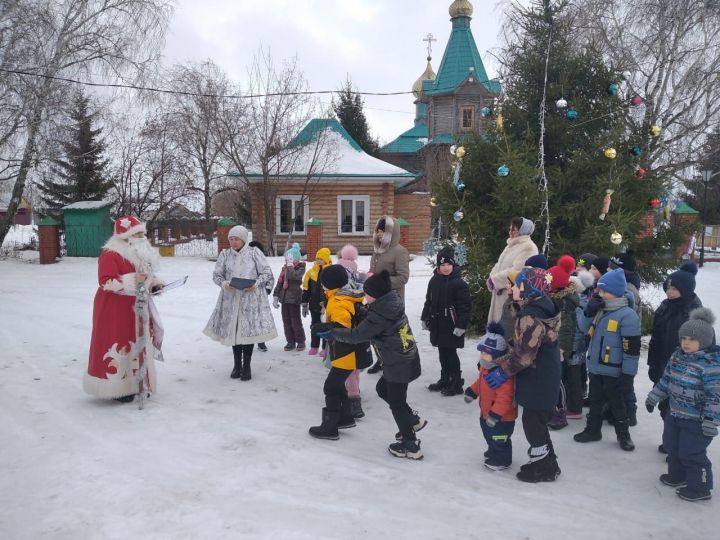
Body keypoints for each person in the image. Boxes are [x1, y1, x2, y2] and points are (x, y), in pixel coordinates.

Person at [316, 270, 426, 459]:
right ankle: (411, 420)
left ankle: (410, 445)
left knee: (396, 403)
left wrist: (332, 332)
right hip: (405, 359)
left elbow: (358, 335)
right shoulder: (390, 303)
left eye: (367, 294)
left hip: (399, 363)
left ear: (375, 295)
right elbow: (371, 319)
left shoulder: (381, 314)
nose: (364, 297)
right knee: (383, 389)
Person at [484, 267, 562, 482]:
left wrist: (501, 370)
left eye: (517, 285)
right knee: (536, 422)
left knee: (533, 423)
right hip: (546, 373)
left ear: (528, 288)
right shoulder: (543, 306)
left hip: (538, 378)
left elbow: (524, 356)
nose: (512, 288)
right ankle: (548, 462)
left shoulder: (531, 317)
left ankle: (544, 468)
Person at [84, 216, 164, 403]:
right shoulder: (110, 254)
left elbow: (145, 277)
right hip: (113, 309)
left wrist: (154, 284)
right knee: (118, 341)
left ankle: (137, 383)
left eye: (143, 233)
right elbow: (106, 281)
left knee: (138, 341)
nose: (143, 237)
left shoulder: (139, 253)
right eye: (138, 234)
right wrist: (135, 281)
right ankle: (118, 387)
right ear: (125, 237)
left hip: (136, 307)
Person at [646, 308, 719, 502]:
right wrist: (654, 396)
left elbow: (715, 396)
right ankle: (677, 476)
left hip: (698, 419)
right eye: (684, 338)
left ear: (704, 341)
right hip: (675, 413)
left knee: (691, 452)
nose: (686, 342)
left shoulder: (711, 364)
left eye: (692, 339)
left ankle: (700, 487)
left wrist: (712, 420)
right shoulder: (677, 357)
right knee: (672, 446)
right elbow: (666, 380)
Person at [574, 268, 640, 451]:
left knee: (617, 404)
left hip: (614, 370)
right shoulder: (599, 310)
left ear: (616, 292)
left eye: (604, 291)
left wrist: (628, 375)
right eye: (599, 290)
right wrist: (588, 312)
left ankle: (624, 435)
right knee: (595, 401)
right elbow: (582, 327)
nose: (600, 294)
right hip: (595, 366)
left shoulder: (627, 315)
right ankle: (593, 430)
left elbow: (631, 350)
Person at [307, 264, 372, 440]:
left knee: (331, 387)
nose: (321, 286)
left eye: (323, 283)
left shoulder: (338, 302)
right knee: (338, 385)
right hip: (349, 352)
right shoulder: (346, 297)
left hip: (345, 352)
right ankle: (344, 418)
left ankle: (330, 427)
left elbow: (343, 328)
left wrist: (325, 328)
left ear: (330, 284)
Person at [204, 225, 277, 381]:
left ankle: (247, 366)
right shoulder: (225, 255)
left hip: (250, 299)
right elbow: (217, 275)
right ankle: (237, 365)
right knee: (235, 332)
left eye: (236, 239)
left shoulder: (254, 253)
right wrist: (224, 284)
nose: (233, 242)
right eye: (231, 239)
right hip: (230, 299)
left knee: (247, 332)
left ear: (243, 239)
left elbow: (266, 272)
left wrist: (256, 284)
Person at [648, 262, 703, 452]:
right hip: (662, 364)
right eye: (667, 288)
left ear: (686, 290)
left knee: (680, 410)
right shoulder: (665, 306)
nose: (669, 292)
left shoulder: (694, 312)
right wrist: (652, 364)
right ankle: (670, 441)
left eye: (674, 288)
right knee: (665, 407)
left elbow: (699, 346)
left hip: (684, 370)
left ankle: (680, 445)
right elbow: (656, 337)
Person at [464, 322, 517, 471]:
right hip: (486, 412)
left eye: (486, 353)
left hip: (502, 418)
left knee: (499, 438)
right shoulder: (485, 367)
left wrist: (495, 415)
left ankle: (502, 459)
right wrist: (472, 392)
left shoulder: (503, 374)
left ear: (497, 356)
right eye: (481, 352)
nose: (482, 356)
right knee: (488, 434)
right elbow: (480, 382)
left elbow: (505, 398)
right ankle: (493, 450)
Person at [421, 246, 471, 396]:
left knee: (451, 353)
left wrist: (461, 325)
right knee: (442, 352)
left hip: (451, 325)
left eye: (449, 264)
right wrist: (425, 317)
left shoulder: (459, 283)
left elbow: (465, 307)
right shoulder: (434, 281)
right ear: (438, 266)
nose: (446, 268)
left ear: (454, 265)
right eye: (442, 265)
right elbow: (428, 301)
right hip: (438, 323)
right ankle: (445, 378)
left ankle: (455, 382)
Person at [367, 216, 410, 374]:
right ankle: (381, 359)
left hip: (392, 301)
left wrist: (381, 283)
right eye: (378, 231)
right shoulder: (377, 250)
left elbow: (403, 277)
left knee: (392, 334)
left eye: (383, 231)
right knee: (376, 333)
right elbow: (373, 272)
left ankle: (397, 362)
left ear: (392, 232)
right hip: (376, 300)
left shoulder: (400, 251)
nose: (380, 234)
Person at [546, 255, 582, 430]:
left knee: (557, 381)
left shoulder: (565, 303)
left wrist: (561, 348)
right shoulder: (555, 298)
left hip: (558, 348)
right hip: (551, 345)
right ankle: (551, 408)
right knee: (551, 379)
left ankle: (560, 412)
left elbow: (566, 329)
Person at [486, 217, 539, 325]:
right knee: (496, 328)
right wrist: (491, 278)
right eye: (510, 229)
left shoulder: (529, 247)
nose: (510, 232)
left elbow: (518, 271)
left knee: (507, 328)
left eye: (513, 230)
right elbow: (499, 264)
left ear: (521, 231)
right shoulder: (511, 244)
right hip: (500, 291)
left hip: (511, 294)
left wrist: (496, 281)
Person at [336, 244, 367, 418]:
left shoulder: (339, 275)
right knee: (353, 364)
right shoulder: (358, 276)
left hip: (344, 326)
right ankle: (353, 392)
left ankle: (353, 398)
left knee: (345, 363)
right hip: (357, 324)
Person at [273, 243, 306, 351]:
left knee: (295, 320)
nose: (288, 261)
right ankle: (290, 341)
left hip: (294, 297)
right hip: (284, 298)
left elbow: (295, 276)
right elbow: (280, 282)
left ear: (295, 258)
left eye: (290, 258)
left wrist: (290, 265)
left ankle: (300, 341)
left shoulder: (301, 267)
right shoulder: (285, 268)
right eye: (287, 258)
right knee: (286, 321)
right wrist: (276, 296)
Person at [302, 247, 332, 357]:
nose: (318, 260)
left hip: (327, 306)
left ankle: (325, 348)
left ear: (326, 259)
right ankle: (314, 346)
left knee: (325, 326)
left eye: (321, 258)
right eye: (317, 258)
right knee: (314, 326)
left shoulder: (330, 272)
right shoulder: (311, 273)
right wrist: (304, 303)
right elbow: (306, 289)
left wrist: (327, 304)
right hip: (314, 305)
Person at [249, 240, 271, 352]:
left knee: (260, 319)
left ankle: (261, 342)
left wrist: (267, 289)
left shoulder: (263, 262)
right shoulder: (246, 262)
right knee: (248, 319)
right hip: (247, 295)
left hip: (260, 296)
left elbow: (270, 276)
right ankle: (247, 340)